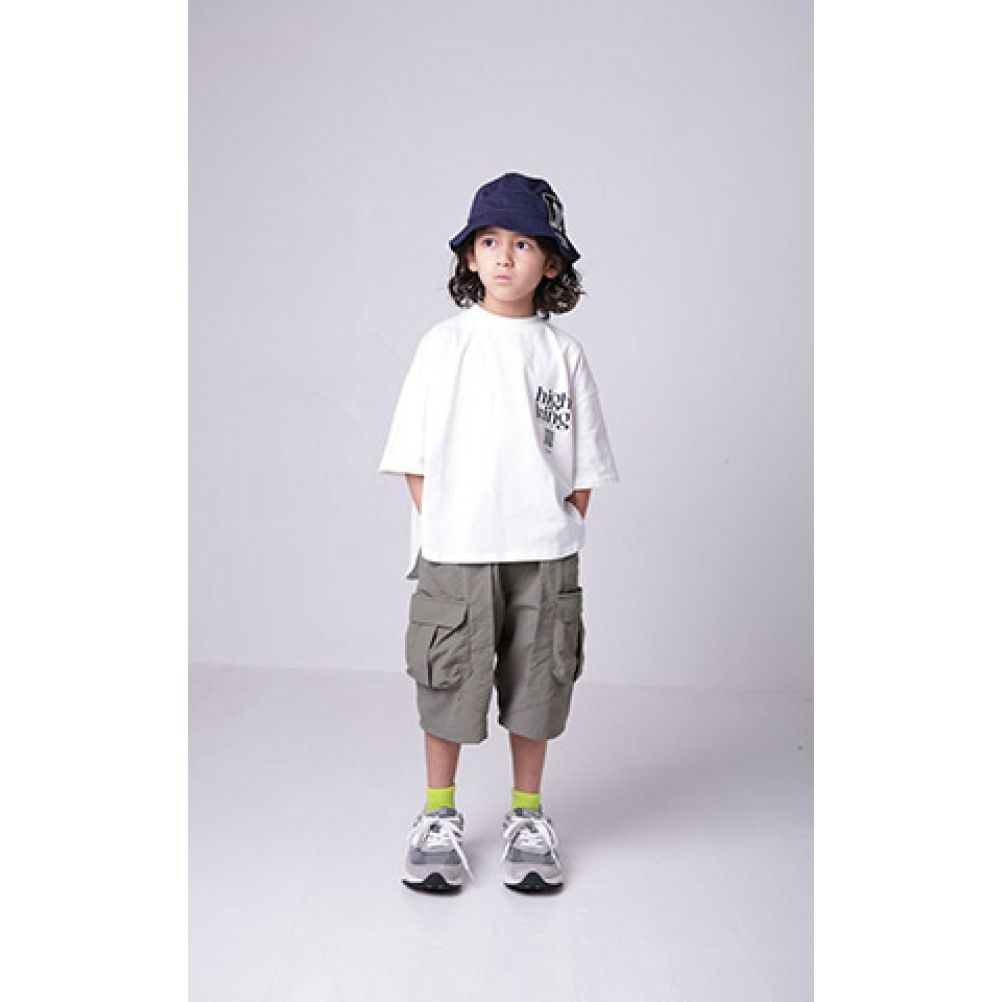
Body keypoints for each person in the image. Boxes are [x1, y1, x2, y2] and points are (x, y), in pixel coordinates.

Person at [378, 172, 619, 893]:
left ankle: (527, 814)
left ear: (552, 263)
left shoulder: (562, 355)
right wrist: (446, 526)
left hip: (543, 555)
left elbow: (583, 465)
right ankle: (438, 814)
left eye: (523, 243)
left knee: (539, 684)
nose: (505, 256)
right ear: (469, 257)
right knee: (447, 684)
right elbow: (412, 455)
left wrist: (557, 526)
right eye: (489, 242)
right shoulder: (443, 345)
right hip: (457, 552)